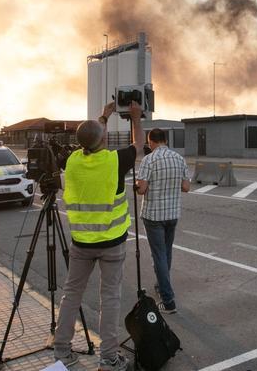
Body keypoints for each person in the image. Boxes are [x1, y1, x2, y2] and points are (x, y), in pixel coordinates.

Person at [54, 101, 143, 371]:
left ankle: (62, 351)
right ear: (104, 139)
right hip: (112, 243)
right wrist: (136, 119)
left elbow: (91, 137)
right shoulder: (114, 161)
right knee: (110, 299)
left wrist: (103, 116)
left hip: (81, 242)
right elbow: (138, 146)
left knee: (71, 294)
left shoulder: (72, 161)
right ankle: (108, 359)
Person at [136, 128, 190, 315]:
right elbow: (186, 187)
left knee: (158, 255)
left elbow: (141, 189)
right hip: (172, 214)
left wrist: (139, 185)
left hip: (154, 215)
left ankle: (168, 301)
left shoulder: (148, 160)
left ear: (150, 141)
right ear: (165, 140)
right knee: (166, 253)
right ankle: (161, 285)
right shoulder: (179, 158)